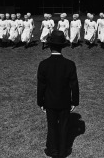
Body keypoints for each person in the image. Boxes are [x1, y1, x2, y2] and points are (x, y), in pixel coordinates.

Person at [37, 30, 79, 158]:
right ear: (62, 47)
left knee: (52, 126)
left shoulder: (43, 65)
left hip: (50, 101)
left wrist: (40, 102)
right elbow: (74, 84)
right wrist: (74, 101)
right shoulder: (69, 64)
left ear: (49, 46)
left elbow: (41, 86)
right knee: (64, 126)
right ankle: (63, 151)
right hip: (65, 101)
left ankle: (52, 151)